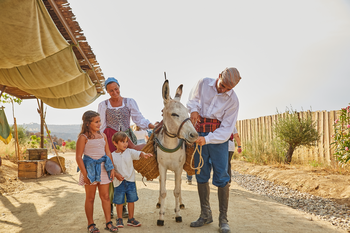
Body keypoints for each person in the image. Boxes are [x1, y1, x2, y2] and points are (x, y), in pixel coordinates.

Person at [187, 67, 241, 233]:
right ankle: (205, 214)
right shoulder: (203, 83)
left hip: (218, 139)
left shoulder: (233, 101)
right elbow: (192, 99)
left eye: (227, 88)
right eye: (222, 85)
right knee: (201, 174)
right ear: (219, 76)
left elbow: (226, 129)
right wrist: (194, 110)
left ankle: (223, 219)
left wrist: (208, 139)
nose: (223, 89)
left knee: (222, 176)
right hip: (199, 132)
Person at [98, 77, 155, 218]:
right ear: (107, 91)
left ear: (119, 87)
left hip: (126, 138)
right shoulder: (103, 104)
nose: (114, 92)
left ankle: (122, 205)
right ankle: (111, 205)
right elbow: (102, 125)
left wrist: (150, 125)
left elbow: (138, 118)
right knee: (111, 170)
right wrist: (101, 142)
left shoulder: (129, 102)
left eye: (116, 89)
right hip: (110, 137)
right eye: (111, 91)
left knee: (125, 169)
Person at [76, 111, 118, 232]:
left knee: (105, 196)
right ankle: (91, 224)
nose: (99, 124)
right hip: (90, 170)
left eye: (100, 121)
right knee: (90, 198)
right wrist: (85, 174)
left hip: (104, 168)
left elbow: (108, 153)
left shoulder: (103, 136)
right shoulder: (83, 138)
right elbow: (78, 157)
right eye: (96, 121)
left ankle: (108, 223)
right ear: (88, 123)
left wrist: (112, 168)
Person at [111, 131, 153, 228]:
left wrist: (144, 154)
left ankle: (131, 219)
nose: (125, 144)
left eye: (126, 141)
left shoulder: (129, 152)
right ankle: (119, 219)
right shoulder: (112, 155)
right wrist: (116, 175)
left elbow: (138, 153)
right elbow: (111, 168)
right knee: (119, 202)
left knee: (131, 200)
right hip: (118, 182)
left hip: (130, 181)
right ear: (115, 143)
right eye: (122, 142)